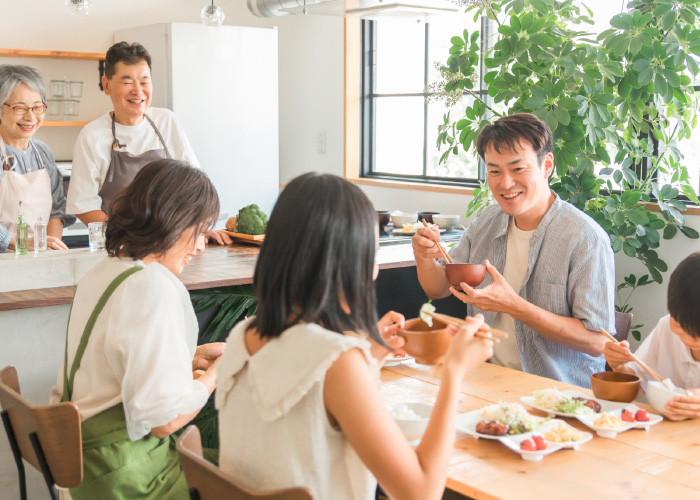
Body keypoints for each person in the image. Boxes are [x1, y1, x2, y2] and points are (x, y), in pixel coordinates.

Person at [216, 173, 494, 500]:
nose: (373, 270)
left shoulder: (241, 336)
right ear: (346, 264)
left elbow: (302, 417)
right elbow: (421, 493)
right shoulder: (339, 362)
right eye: (371, 255)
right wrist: (455, 372)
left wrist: (369, 358)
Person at [50, 159, 225, 499]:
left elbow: (115, 362)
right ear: (174, 219)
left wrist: (189, 356)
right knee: (254, 476)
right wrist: (217, 374)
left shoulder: (104, 271)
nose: (202, 246)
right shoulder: (152, 286)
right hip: (128, 478)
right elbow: (164, 420)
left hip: (85, 465)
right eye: (199, 231)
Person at [412, 113, 616, 388]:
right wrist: (424, 257)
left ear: (547, 165)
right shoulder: (487, 221)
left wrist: (515, 306)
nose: (505, 184)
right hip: (482, 379)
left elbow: (598, 342)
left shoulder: (585, 239)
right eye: (494, 171)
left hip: (555, 396)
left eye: (518, 169)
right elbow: (437, 289)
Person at [66, 41, 230, 245]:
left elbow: (195, 186)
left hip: (172, 245)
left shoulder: (166, 121)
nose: (138, 91)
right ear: (107, 85)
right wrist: (134, 238)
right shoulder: (93, 135)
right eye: (127, 82)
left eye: (144, 81)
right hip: (121, 248)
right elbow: (83, 206)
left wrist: (198, 229)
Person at [604, 252, 700, 420]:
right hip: (661, 438)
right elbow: (636, 389)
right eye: (678, 324)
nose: (687, 339)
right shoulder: (666, 328)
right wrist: (618, 367)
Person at [0, 64, 73, 252]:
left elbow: (57, 209)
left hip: (38, 259)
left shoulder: (42, 152)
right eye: (20, 108)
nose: (31, 116)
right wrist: (21, 242)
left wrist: (49, 247)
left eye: (37, 107)